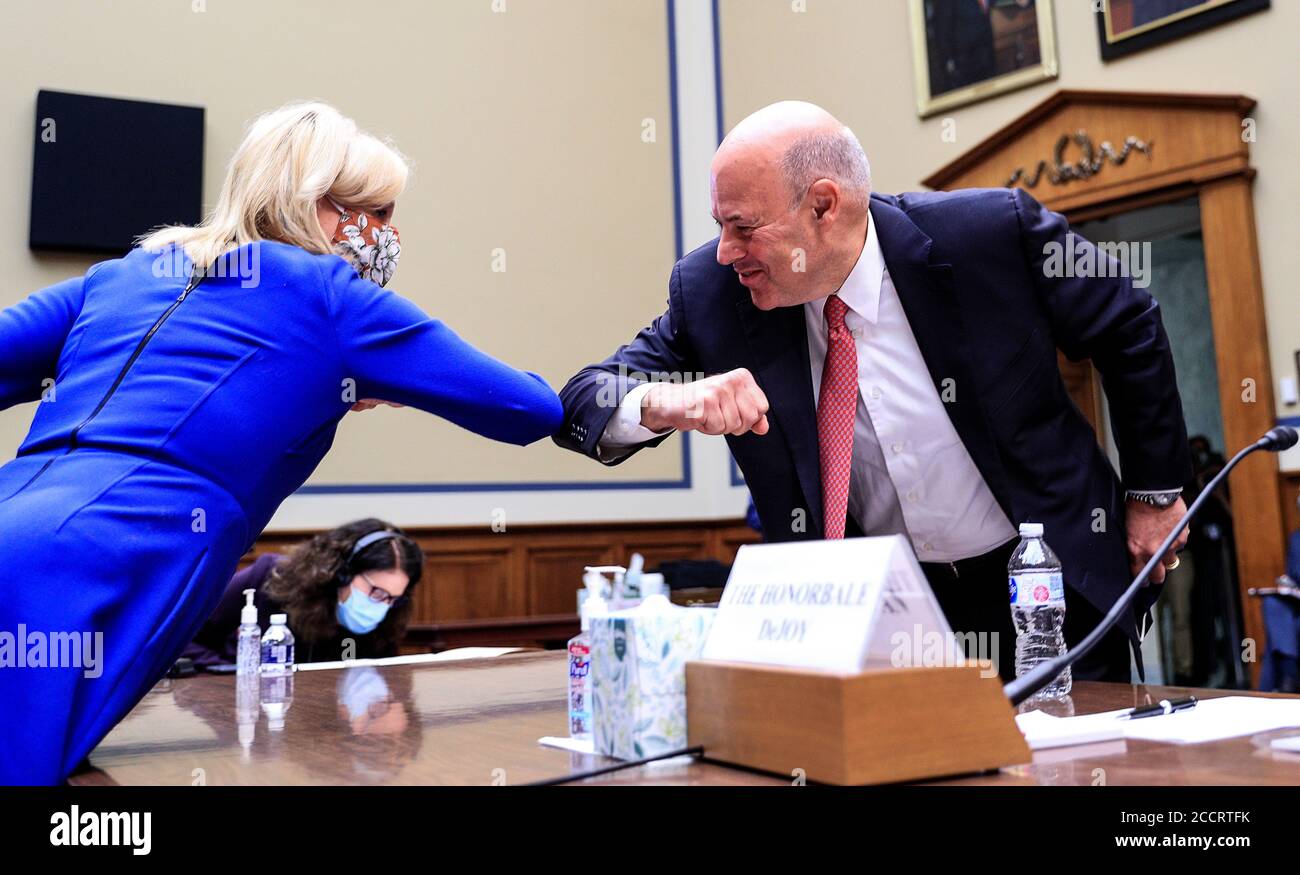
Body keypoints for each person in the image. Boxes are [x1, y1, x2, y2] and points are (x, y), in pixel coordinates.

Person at [0, 102, 562, 785]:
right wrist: (385, 374)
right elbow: (527, 406)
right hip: (98, 560)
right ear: (321, 208)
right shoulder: (330, 294)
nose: (388, 235)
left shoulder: (121, 276)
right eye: (377, 213)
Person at [555, 101, 1191, 683]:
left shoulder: (988, 235)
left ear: (824, 206)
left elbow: (1128, 321)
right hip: (879, 615)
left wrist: (1153, 495)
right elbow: (581, 398)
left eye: (743, 227)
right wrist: (665, 401)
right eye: (720, 226)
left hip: (1047, 586)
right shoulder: (712, 294)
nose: (726, 252)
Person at [184, 519, 424, 667]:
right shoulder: (269, 576)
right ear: (342, 572)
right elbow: (185, 638)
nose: (381, 606)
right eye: (376, 592)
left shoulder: (390, 615)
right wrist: (231, 675)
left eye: (392, 598)